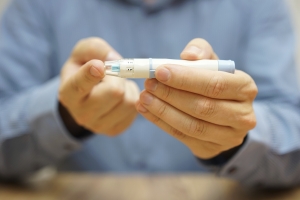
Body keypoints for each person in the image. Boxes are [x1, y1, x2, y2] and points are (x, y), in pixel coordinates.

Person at [0, 0, 300, 188]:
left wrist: (234, 135)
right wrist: (64, 114)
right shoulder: (38, 5)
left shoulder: (258, 5)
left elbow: (292, 135)